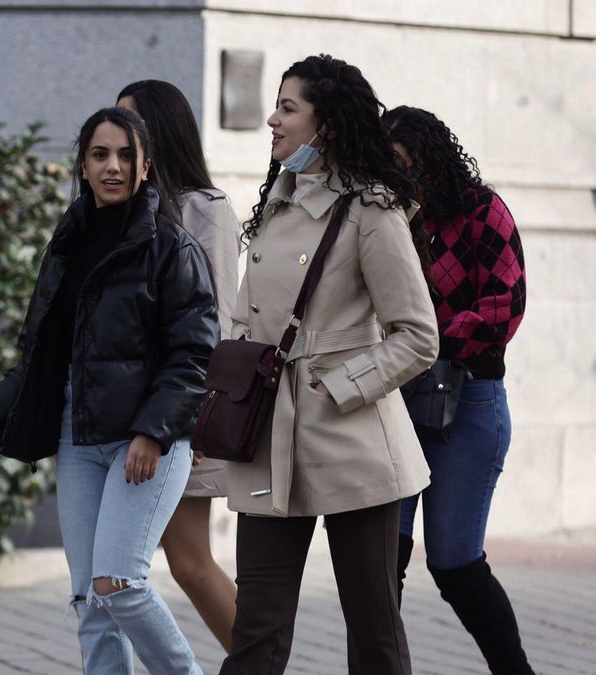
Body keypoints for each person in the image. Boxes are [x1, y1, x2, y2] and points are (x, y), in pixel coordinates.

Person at [0, 106, 219, 675]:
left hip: (146, 442)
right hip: (79, 437)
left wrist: (152, 431)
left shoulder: (173, 248)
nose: (113, 167)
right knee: (89, 597)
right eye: (101, 154)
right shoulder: (68, 243)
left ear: (147, 167)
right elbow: (40, 354)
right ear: (82, 163)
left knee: (118, 582)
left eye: (126, 156)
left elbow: (193, 354)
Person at [219, 54, 439, 675]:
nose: (272, 119)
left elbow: (418, 336)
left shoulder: (373, 211)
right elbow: (246, 322)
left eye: (288, 108)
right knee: (256, 628)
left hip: (352, 437)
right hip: (267, 432)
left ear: (329, 126)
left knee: (373, 629)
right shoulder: (276, 204)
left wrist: (341, 385)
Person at [383, 105, 532, 674]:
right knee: (381, 561)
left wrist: (424, 339)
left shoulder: (481, 211)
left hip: (467, 400)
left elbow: (503, 308)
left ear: (430, 156)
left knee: (453, 564)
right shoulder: (388, 215)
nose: (395, 176)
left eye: (402, 163)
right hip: (394, 397)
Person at [116, 79, 240, 652]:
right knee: (118, 568)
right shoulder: (122, 208)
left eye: (131, 125)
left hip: (178, 410)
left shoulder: (202, 209)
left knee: (188, 562)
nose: (118, 137)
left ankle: (257, 665)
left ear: (160, 134)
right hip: (119, 410)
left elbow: (212, 321)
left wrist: (171, 412)